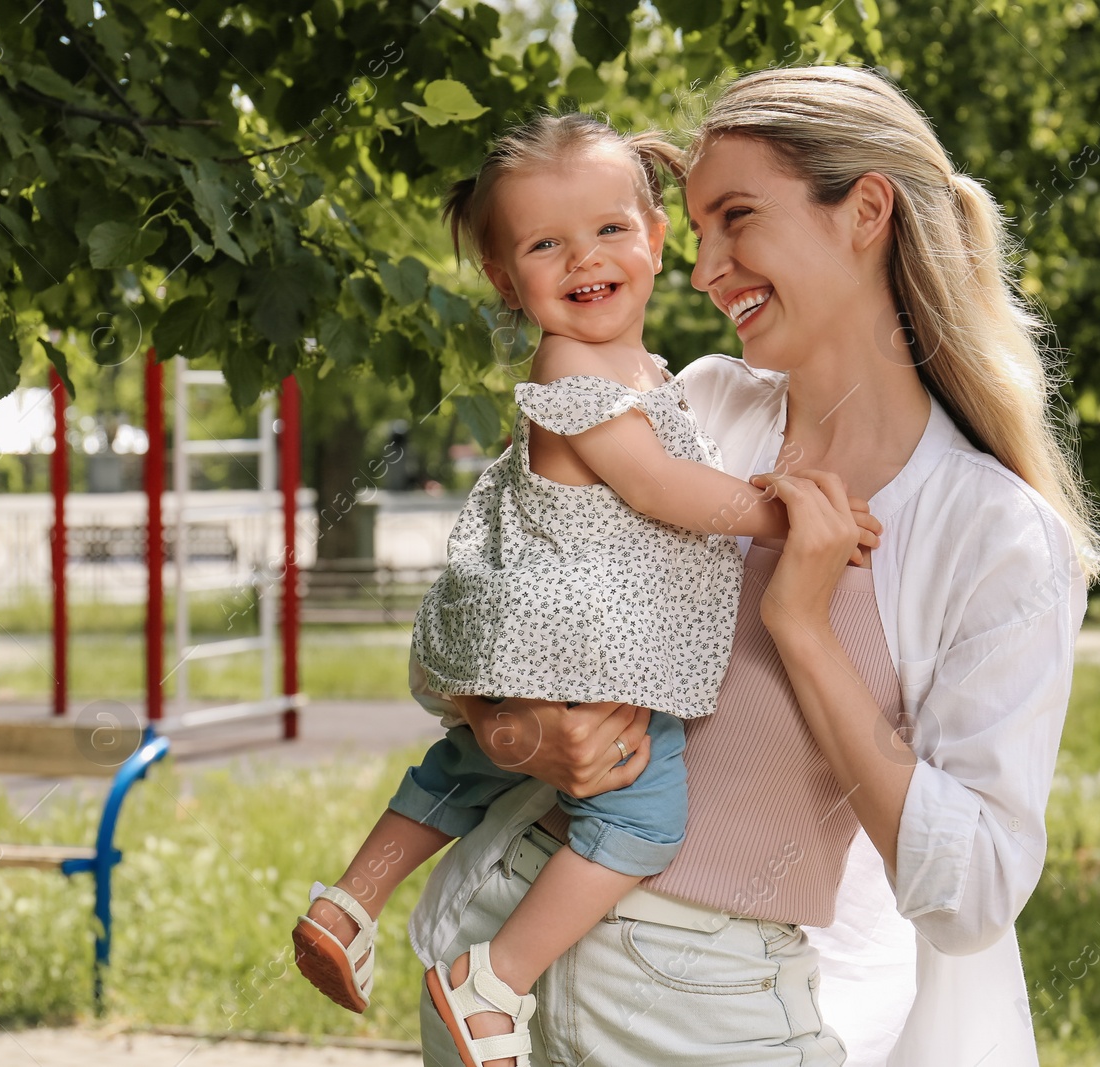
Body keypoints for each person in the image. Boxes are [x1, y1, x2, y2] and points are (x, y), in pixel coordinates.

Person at [409, 65, 1100, 1066]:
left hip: (721, 1015)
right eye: (696, 233)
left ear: (864, 210)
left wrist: (802, 627)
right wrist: (512, 730)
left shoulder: (991, 531)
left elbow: (976, 889)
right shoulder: (697, 411)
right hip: (492, 967)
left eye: (737, 219)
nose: (703, 270)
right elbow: (468, 620)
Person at [290, 112, 879, 1067]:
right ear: (505, 279)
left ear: (654, 237)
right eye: (544, 244)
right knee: (641, 818)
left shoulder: (646, 371)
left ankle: (348, 900)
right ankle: (496, 979)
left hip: (539, 644)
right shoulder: (571, 365)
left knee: (471, 766)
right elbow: (659, 488)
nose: (584, 258)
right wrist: (787, 513)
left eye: (608, 229)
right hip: (588, 650)